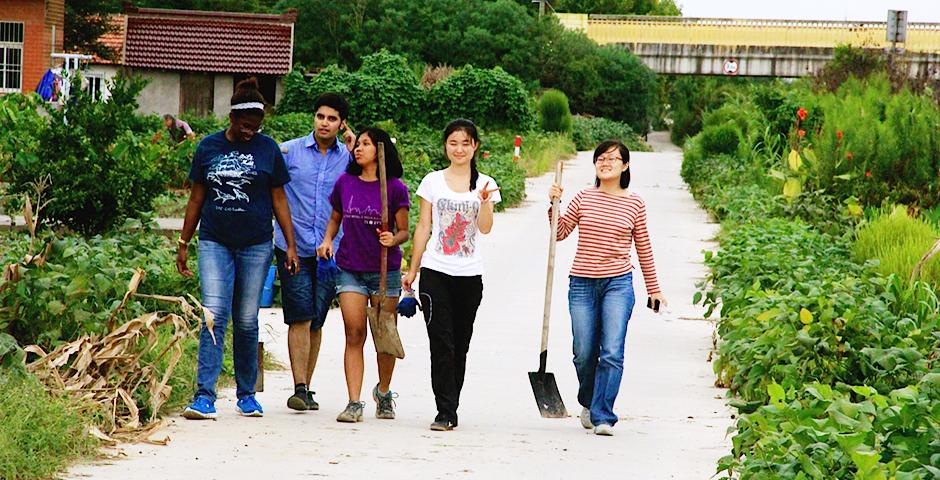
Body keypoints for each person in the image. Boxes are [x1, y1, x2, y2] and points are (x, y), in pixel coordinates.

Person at [176, 77, 300, 420]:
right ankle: (204, 396)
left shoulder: (268, 149)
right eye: (246, 126)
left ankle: (247, 394)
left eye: (257, 127)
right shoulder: (208, 147)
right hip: (215, 241)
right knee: (213, 315)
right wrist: (184, 243)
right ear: (231, 119)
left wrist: (290, 245)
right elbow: (196, 197)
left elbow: (279, 199)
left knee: (246, 319)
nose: (251, 133)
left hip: (256, 244)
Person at [547, 140, 667, 436]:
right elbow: (559, 233)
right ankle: (588, 400)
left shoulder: (634, 203)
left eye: (613, 158)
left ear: (625, 165)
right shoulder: (583, 198)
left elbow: (644, 247)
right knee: (583, 352)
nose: (606, 162)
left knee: (611, 351)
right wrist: (554, 205)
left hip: (618, 283)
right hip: (582, 284)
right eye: (601, 158)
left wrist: (654, 288)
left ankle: (603, 414)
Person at [402, 119, 501, 431]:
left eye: (466, 143)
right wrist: (413, 269)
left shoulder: (485, 183)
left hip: (470, 276)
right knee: (441, 342)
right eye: (453, 143)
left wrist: (484, 203)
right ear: (445, 146)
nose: (459, 149)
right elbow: (423, 227)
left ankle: (451, 403)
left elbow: (484, 228)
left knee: (460, 344)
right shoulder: (432, 181)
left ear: (475, 147)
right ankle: (445, 411)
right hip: (435, 272)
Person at [317, 128, 410, 423]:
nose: (358, 148)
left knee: (383, 334)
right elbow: (335, 218)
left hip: (385, 271)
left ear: (380, 151)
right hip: (350, 268)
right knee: (354, 333)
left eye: (366, 144)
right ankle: (354, 401)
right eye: (358, 144)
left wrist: (392, 240)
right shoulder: (345, 183)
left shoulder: (395, 188)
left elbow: (404, 231)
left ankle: (383, 392)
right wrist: (328, 240)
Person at [275, 93, 355, 412]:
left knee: (317, 320)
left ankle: (306, 387)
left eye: (332, 118)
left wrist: (352, 142)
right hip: (291, 247)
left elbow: (375, 176)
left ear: (341, 123)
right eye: (320, 116)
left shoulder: (348, 157)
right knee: (300, 315)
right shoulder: (290, 151)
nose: (324, 123)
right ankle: (299, 386)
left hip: (329, 253)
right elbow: (273, 189)